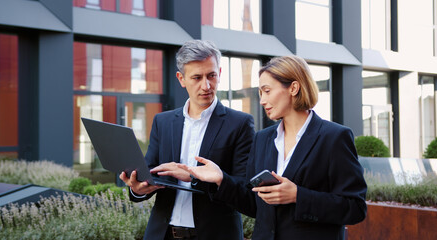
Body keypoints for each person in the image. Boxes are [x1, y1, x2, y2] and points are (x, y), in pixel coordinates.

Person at [179, 55, 368, 240]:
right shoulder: (263, 139)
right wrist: (221, 179)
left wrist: (297, 196)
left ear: (293, 88)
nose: (261, 100)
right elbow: (254, 204)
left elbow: (355, 208)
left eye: (267, 91)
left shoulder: (334, 137)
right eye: (260, 93)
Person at [119, 40, 255, 240]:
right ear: (181, 79)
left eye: (211, 76)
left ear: (219, 72)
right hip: (162, 233)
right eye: (197, 78)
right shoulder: (163, 122)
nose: (206, 86)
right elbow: (150, 172)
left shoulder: (240, 124)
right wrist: (138, 189)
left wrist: (194, 177)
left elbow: (246, 195)